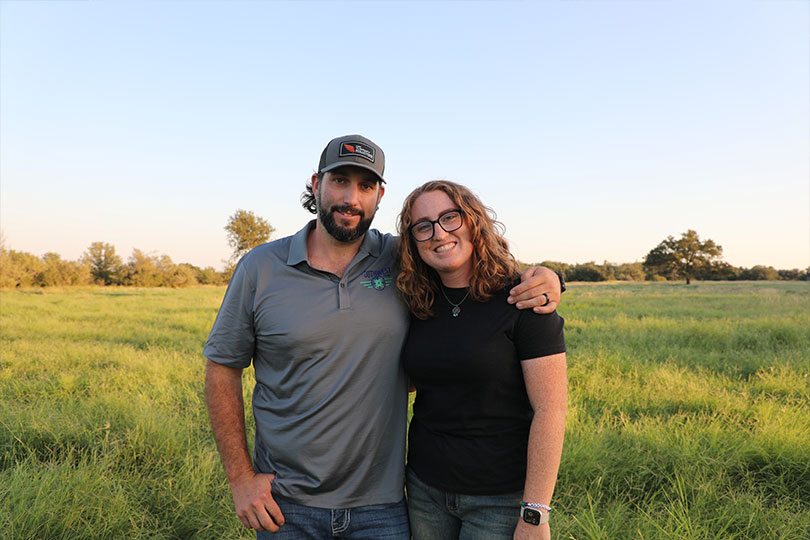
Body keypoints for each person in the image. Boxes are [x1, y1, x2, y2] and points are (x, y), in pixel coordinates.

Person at [203, 135, 562, 539]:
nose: (351, 198)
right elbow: (221, 367)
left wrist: (549, 277)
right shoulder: (259, 268)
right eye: (339, 180)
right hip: (286, 504)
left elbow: (472, 266)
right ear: (315, 183)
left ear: (380, 195)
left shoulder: (403, 260)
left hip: (384, 508)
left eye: (366, 186)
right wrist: (239, 478)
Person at [396, 180, 567, 540]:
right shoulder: (414, 302)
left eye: (449, 217)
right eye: (423, 226)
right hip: (424, 490)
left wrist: (535, 513)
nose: (438, 233)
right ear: (412, 241)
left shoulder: (524, 300)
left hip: (499, 500)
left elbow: (551, 411)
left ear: (473, 221)